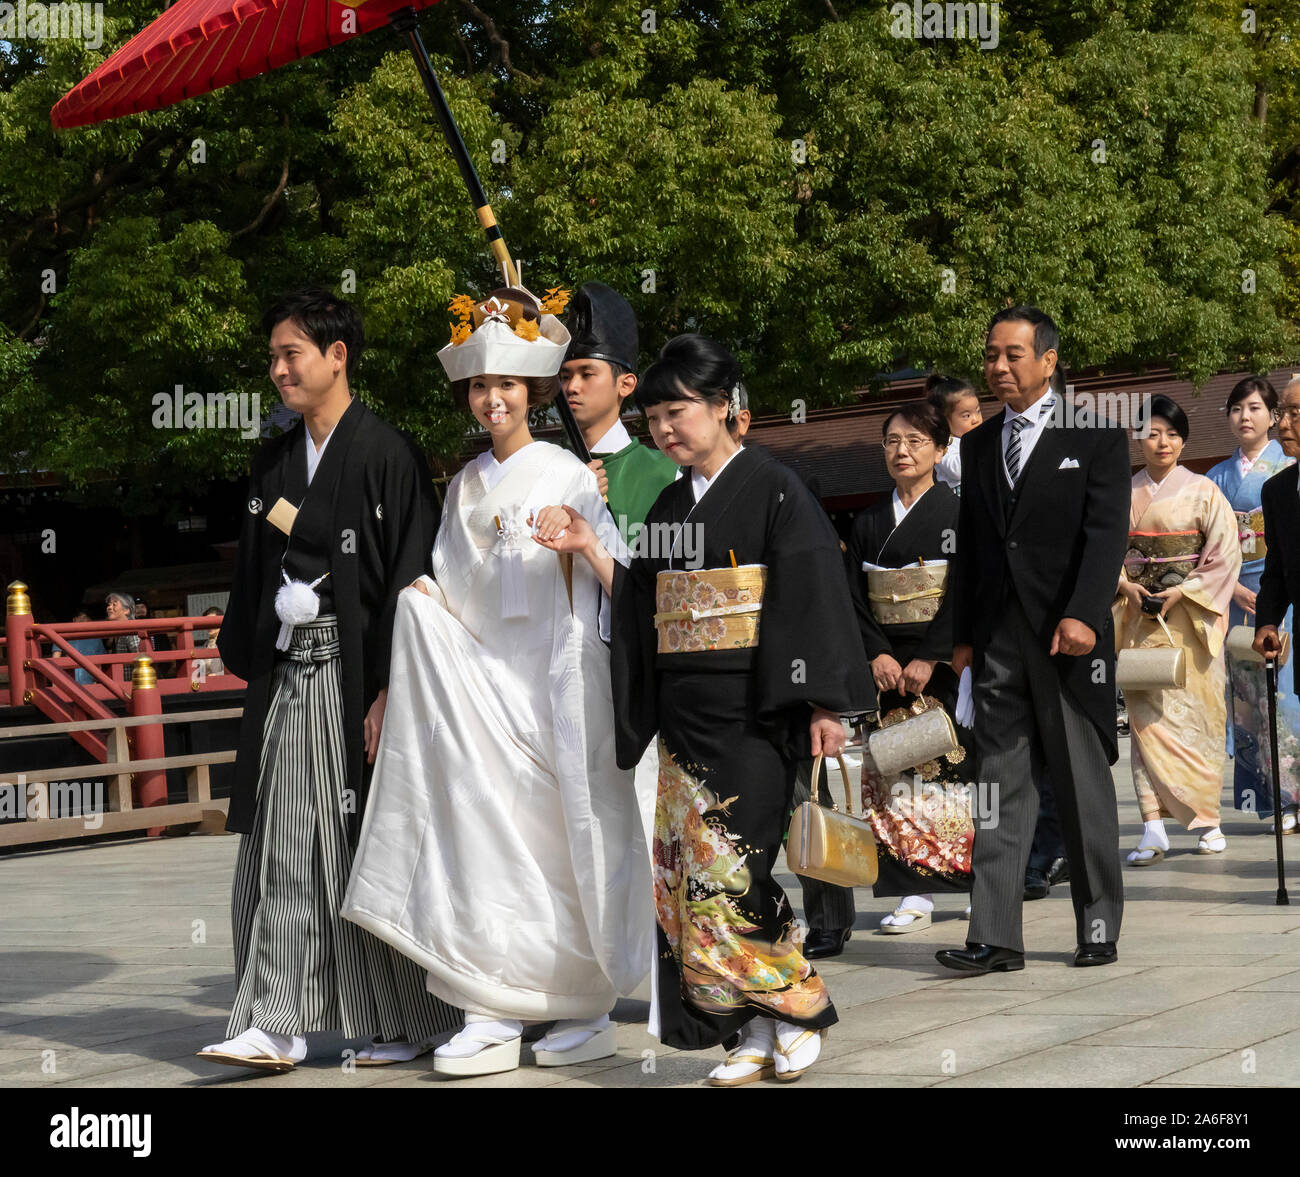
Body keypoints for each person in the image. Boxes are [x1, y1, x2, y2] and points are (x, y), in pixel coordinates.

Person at [341, 285, 653, 1079]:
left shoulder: (569, 472)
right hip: (480, 686)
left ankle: (581, 1002)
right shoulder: (467, 483)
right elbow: (451, 585)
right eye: (480, 386)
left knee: (563, 841)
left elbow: (610, 587)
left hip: (552, 684)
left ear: (534, 391)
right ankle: (490, 1003)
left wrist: (577, 540)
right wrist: (422, 613)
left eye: (507, 385)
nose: (492, 399)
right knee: (479, 840)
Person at [588, 333, 872, 1085]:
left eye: (678, 410)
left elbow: (812, 594)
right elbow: (646, 600)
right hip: (686, 716)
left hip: (755, 710)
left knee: (733, 873)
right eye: (653, 417)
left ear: (724, 407)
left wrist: (822, 701)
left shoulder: (776, 488)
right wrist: (591, 548)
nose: (665, 428)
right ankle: (745, 1028)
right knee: (686, 880)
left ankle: (797, 1004)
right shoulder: (673, 502)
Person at [197, 286, 457, 1075]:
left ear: (337, 356)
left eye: (291, 354)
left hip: (362, 680)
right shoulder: (274, 462)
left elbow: (415, 579)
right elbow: (253, 571)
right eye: (273, 357)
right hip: (290, 674)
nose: (278, 370)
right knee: (281, 843)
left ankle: (409, 1014)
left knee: (364, 845)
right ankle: (276, 1018)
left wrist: (391, 690)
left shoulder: (388, 454)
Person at [939, 306, 1129, 976]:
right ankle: (994, 935)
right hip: (997, 638)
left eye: (1013, 354)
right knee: (999, 781)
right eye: (991, 355)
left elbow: (1106, 535)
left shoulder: (1099, 437)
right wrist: (960, 637)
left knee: (1080, 785)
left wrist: (1083, 613)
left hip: (1069, 639)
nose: (998, 366)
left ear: (1048, 359)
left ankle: (1098, 923)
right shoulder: (980, 444)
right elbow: (972, 546)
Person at [846, 400, 972, 934]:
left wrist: (931, 654)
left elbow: (967, 586)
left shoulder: (961, 514)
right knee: (892, 773)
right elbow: (852, 594)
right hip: (886, 668)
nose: (901, 451)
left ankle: (969, 878)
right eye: (892, 441)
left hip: (941, 664)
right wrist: (877, 652)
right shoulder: (869, 521)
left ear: (941, 450)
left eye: (916, 441)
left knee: (956, 774)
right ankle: (912, 890)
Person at [1117, 395, 1241, 863]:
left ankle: (1207, 820)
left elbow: (1224, 553)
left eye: (1171, 433)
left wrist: (1183, 591)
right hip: (1139, 619)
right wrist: (1125, 586)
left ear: (1183, 440)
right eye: (1151, 432)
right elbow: (1102, 553)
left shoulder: (1205, 491)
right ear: (1137, 439)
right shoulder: (1120, 494)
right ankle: (1152, 828)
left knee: (1202, 719)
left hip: (1190, 620)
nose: (1161, 442)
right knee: (1147, 723)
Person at [1207, 376, 1299, 829]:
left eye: (1258, 408)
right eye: (1237, 408)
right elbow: (1208, 545)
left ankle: (1294, 794)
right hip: (1239, 596)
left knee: (1286, 702)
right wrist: (1232, 587)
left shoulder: (1284, 466)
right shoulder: (1217, 478)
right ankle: (1271, 797)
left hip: (1282, 598)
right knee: (1248, 705)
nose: (1247, 417)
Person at [560, 281, 678, 545]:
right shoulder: (548, 469)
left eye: (587, 374)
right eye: (565, 376)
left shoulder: (669, 474)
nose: (571, 387)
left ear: (625, 385)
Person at [1254, 379, 1300, 778]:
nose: (1282, 424)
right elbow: (1277, 568)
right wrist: (1267, 619)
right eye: (1281, 413)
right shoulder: (1278, 491)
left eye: (1294, 413)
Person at [926, 373, 982, 492]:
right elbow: (957, 471)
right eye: (967, 416)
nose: (976, 419)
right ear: (944, 420)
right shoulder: (944, 444)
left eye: (978, 411)